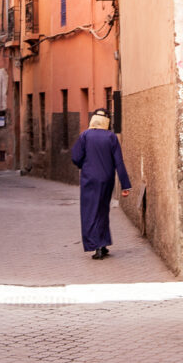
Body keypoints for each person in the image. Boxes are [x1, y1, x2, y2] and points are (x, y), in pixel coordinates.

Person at [70, 107, 131, 260]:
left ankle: (96, 246)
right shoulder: (111, 137)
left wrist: (84, 165)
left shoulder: (85, 136)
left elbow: (75, 157)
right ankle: (103, 244)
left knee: (90, 211)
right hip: (107, 179)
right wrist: (125, 185)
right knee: (103, 210)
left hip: (89, 179)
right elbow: (119, 162)